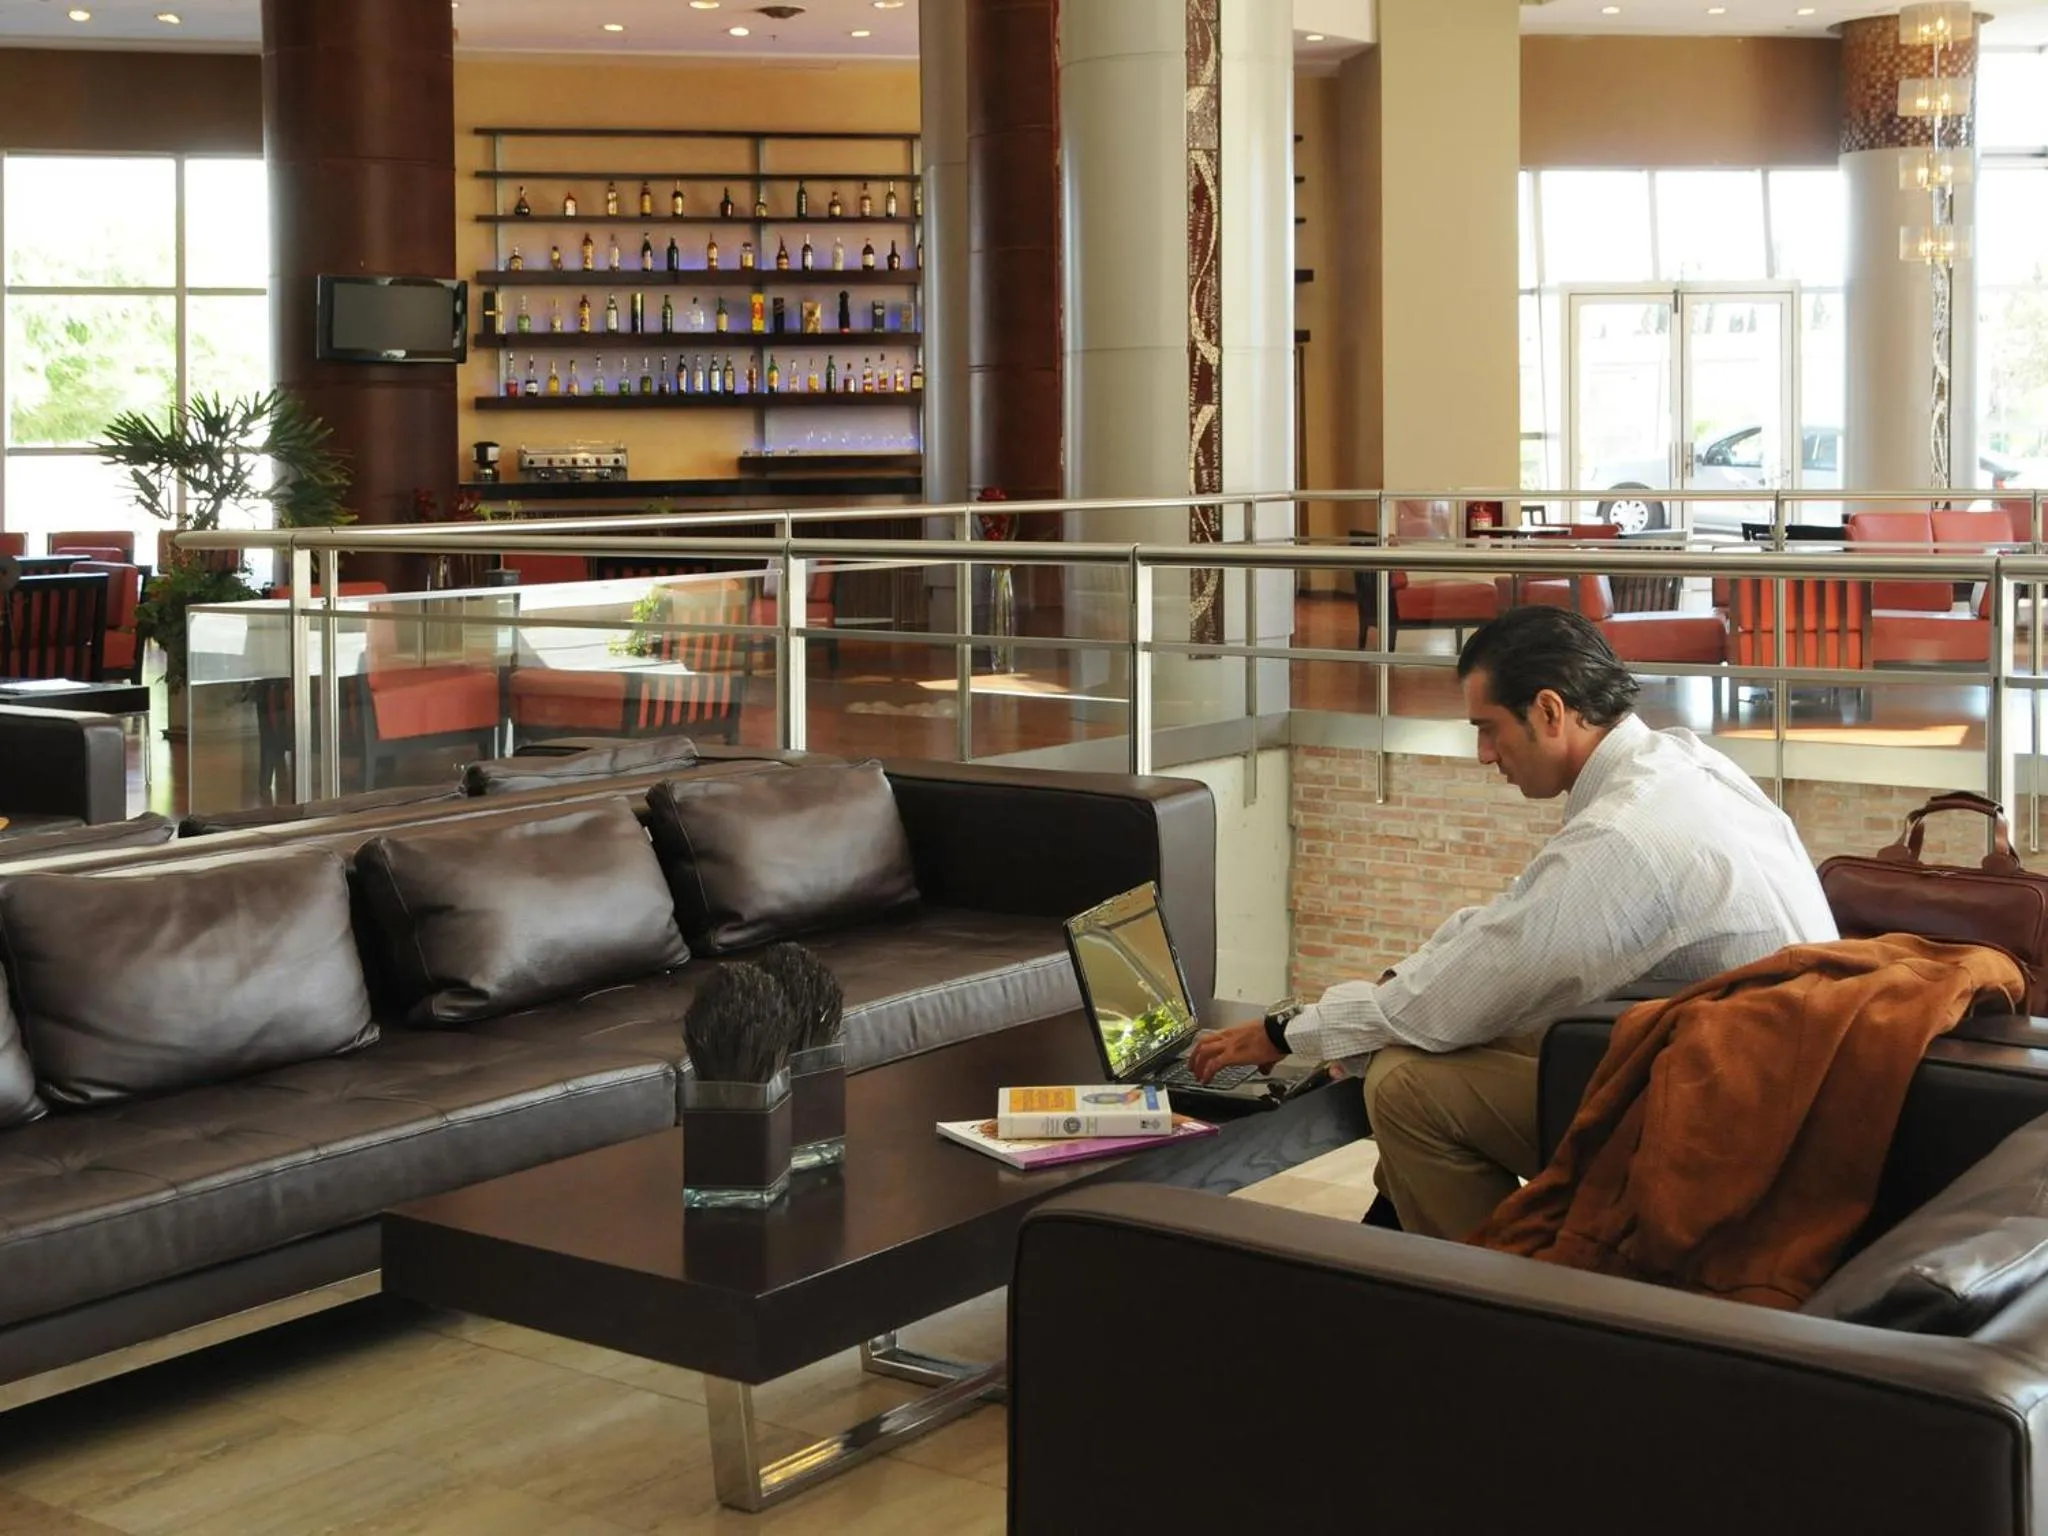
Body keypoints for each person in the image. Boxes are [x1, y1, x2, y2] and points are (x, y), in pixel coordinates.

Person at [1188, 605, 1838, 1239]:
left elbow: (1481, 982)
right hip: (1757, 1070)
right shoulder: (1679, 764)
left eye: (1489, 727)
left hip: (1744, 1124)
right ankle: (1395, 1240)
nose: (1482, 753)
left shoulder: (1625, 835)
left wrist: (1291, 1032)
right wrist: (1382, 1000)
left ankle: (1503, 1299)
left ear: (1551, 711)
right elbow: (1512, 924)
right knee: (1425, 1034)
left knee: (1404, 1085)